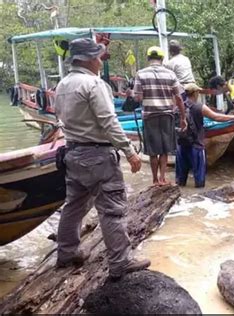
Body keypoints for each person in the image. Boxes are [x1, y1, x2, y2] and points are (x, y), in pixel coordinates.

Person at [55, 38, 150, 278]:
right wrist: (129, 151)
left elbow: (61, 120)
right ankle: (120, 262)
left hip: (73, 153)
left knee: (74, 205)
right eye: (98, 57)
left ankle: (66, 254)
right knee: (112, 210)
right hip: (97, 155)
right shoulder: (93, 84)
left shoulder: (63, 84)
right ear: (88, 59)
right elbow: (109, 121)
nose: (100, 61)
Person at [132, 46, 187, 186]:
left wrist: (131, 93)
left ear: (148, 58)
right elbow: (179, 98)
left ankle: (154, 180)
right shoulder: (170, 74)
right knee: (164, 149)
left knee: (152, 151)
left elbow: (137, 98)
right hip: (167, 116)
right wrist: (183, 118)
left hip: (149, 116)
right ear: (162, 59)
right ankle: (162, 178)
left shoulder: (141, 74)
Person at [175, 83, 234, 187]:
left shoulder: (178, 106)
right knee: (199, 183)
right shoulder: (199, 106)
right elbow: (216, 117)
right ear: (196, 93)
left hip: (181, 146)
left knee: (180, 183)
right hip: (196, 146)